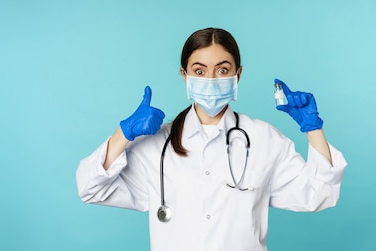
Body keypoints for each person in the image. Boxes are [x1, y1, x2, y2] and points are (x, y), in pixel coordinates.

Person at [75, 27, 347, 250]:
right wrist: (123, 134)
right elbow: (90, 188)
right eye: (200, 70)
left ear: (238, 75)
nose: (211, 78)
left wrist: (313, 128)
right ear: (184, 76)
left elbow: (318, 195)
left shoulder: (265, 140)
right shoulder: (157, 145)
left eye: (223, 69)